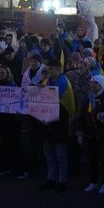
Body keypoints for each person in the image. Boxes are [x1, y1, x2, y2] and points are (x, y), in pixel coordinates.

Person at [38, 59, 75, 193]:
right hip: (47, 122)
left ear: (59, 69)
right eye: (48, 68)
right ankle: (51, 178)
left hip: (60, 122)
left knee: (60, 153)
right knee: (49, 153)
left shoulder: (63, 82)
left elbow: (53, 99)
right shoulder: (47, 81)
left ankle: (62, 180)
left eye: (52, 68)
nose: (49, 71)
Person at [80, 74, 104, 195]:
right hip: (91, 134)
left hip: (103, 134)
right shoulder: (89, 98)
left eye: (95, 83)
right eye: (91, 83)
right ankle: (93, 181)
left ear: (101, 84)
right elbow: (83, 115)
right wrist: (81, 131)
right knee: (92, 158)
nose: (93, 85)